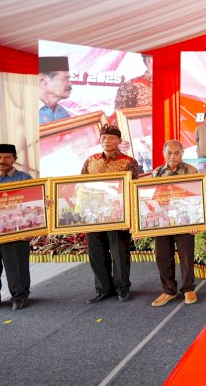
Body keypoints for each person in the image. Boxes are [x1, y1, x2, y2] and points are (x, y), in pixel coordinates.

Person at [81, 126, 140, 303]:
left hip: (118, 215)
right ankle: (103, 289)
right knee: (96, 254)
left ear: (119, 141)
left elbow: (133, 189)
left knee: (120, 253)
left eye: (111, 138)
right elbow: (81, 186)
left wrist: (130, 217)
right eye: (104, 138)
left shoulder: (128, 162)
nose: (107, 141)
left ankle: (122, 288)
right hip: (94, 216)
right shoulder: (91, 161)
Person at [0, 144, 33, 314]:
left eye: (7, 157)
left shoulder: (24, 178)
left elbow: (32, 202)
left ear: (14, 159)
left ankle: (20, 296)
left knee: (16, 265)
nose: (2, 161)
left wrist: (30, 230)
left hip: (16, 231)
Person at [149, 140, 199, 307]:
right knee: (162, 256)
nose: (172, 156)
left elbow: (197, 197)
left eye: (177, 153)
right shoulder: (157, 172)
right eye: (169, 153)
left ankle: (188, 289)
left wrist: (196, 221)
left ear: (182, 154)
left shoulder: (191, 171)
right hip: (162, 221)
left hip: (184, 220)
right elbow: (152, 197)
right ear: (164, 154)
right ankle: (168, 290)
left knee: (186, 255)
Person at [38, 56, 72, 123]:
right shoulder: (24, 112)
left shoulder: (63, 114)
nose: (70, 84)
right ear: (43, 80)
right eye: (65, 78)